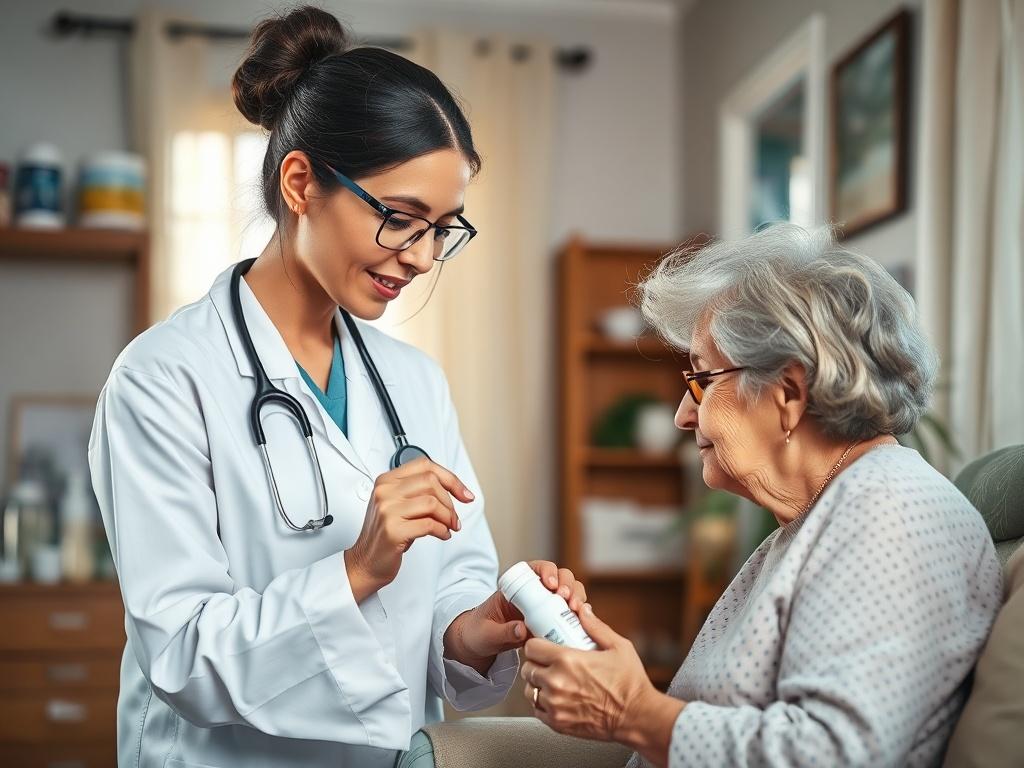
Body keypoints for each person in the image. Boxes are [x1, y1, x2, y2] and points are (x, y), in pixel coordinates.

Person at [87, 7, 585, 767]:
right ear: (300, 182)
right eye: (401, 218)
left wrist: (478, 628)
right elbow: (183, 653)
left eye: (443, 229)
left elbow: (450, 588)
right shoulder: (164, 379)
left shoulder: (414, 384)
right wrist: (357, 569)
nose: (420, 258)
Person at [518, 223, 1002, 767]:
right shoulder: (821, 516)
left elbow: (832, 756)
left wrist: (632, 712)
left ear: (788, 393)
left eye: (702, 379)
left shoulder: (894, 513)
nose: (683, 414)